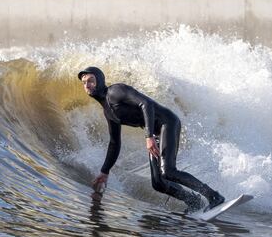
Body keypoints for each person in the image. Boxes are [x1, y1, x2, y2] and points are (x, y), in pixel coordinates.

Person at [78, 66, 225, 212]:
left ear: (100, 80)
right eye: (84, 82)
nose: (87, 85)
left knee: (169, 172)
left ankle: (213, 196)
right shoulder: (108, 111)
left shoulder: (116, 91)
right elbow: (114, 143)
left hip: (167, 123)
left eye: (91, 80)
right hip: (155, 132)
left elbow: (146, 104)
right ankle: (193, 201)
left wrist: (148, 136)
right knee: (158, 183)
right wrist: (105, 172)